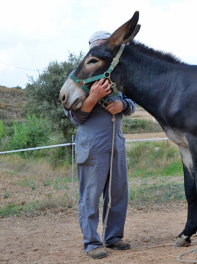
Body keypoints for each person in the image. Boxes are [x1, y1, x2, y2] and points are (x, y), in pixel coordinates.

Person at [64, 31, 136, 259]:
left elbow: (132, 103)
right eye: (98, 46)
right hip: (91, 146)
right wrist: (92, 99)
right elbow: (74, 118)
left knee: (118, 192)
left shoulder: (117, 75)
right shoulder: (79, 76)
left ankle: (113, 237)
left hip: (116, 143)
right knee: (90, 195)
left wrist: (122, 106)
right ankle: (92, 242)